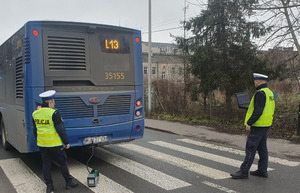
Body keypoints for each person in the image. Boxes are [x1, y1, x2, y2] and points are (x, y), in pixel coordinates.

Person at [230, 73, 275, 179]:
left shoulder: (260, 93)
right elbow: (264, 108)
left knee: (250, 147)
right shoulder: (269, 92)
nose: (254, 83)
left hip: (258, 125)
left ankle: (244, 171)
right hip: (266, 124)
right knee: (262, 148)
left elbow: (258, 111)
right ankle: (262, 170)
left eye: (255, 82)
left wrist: (249, 122)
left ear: (258, 82)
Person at [32, 90, 78, 192]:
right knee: (62, 162)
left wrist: (39, 140)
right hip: (55, 144)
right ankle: (69, 183)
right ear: (50, 101)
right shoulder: (54, 113)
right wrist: (66, 142)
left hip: (42, 144)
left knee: (46, 164)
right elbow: (60, 129)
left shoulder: (35, 113)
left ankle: (49, 186)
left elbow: (35, 130)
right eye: (53, 100)